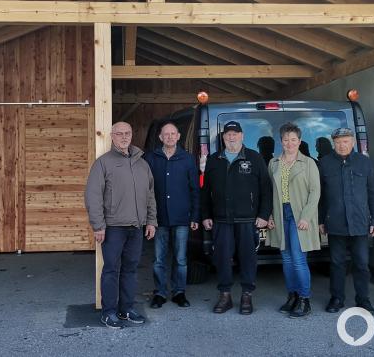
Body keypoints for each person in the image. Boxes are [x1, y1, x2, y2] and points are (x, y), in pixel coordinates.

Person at [85, 122, 157, 329]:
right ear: (112, 136)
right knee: (111, 270)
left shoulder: (142, 164)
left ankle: (126, 308)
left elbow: (150, 195)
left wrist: (151, 221)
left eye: (127, 133)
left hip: (136, 227)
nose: (124, 137)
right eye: (119, 134)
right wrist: (98, 226)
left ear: (132, 135)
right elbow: (93, 196)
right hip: (113, 228)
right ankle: (108, 312)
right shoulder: (103, 163)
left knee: (130, 270)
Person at [201, 121, 272, 315]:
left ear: (242, 136)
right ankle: (225, 296)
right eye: (228, 134)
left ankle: (247, 295)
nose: (231, 137)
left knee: (248, 259)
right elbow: (205, 191)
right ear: (223, 137)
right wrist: (205, 215)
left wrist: (264, 214)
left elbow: (266, 189)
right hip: (221, 219)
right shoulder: (214, 159)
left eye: (235, 133)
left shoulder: (254, 158)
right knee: (222, 258)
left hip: (247, 220)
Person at [318, 127, 374, 315]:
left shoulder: (365, 162)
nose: (342, 145)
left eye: (345, 141)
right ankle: (337, 298)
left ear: (353, 142)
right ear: (333, 143)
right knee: (337, 263)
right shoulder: (325, 164)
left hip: (360, 223)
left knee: (361, 263)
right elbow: (320, 196)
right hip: (335, 223)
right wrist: (321, 220)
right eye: (338, 142)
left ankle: (363, 300)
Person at [143, 121, 200, 309]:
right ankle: (160, 293)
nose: (169, 137)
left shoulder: (188, 159)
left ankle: (179, 292)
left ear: (178, 136)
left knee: (180, 258)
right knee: (159, 259)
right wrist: (147, 216)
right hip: (158, 217)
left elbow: (195, 189)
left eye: (173, 134)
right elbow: (145, 189)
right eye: (166, 134)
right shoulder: (151, 158)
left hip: (182, 216)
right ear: (160, 137)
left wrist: (195, 216)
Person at [267, 122, 320, 318]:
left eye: (293, 140)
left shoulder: (308, 163)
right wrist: (269, 214)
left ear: (299, 141)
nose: (289, 143)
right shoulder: (273, 163)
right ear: (280, 141)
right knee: (286, 259)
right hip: (280, 213)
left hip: (299, 215)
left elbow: (315, 192)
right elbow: (269, 192)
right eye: (285, 140)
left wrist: (306, 217)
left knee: (298, 259)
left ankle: (305, 300)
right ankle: (293, 296)